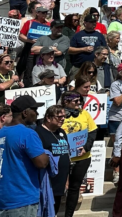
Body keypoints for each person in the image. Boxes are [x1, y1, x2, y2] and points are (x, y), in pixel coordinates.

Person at [0, 95, 50, 217]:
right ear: (25, 113)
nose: (37, 113)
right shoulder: (27, 134)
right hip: (21, 200)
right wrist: (48, 155)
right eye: (34, 110)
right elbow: (41, 163)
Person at [60, 88, 98, 217]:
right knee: (58, 187)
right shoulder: (59, 114)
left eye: (80, 101)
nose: (79, 103)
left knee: (74, 188)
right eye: (76, 101)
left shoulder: (85, 114)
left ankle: (68, 215)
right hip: (62, 156)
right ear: (66, 102)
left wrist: (86, 147)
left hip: (82, 157)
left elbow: (92, 132)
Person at [36, 104, 72, 214]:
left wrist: (66, 180)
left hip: (60, 181)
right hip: (46, 181)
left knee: (54, 211)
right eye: (59, 117)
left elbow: (66, 155)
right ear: (48, 117)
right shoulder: (38, 132)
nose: (62, 119)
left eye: (64, 117)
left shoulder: (62, 132)